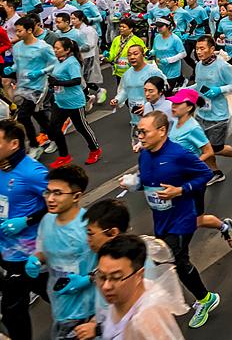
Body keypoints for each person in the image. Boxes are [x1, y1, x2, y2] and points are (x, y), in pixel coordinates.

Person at [118, 112, 219, 328]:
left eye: (144, 131)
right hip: (161, 217)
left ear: (162, 131)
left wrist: (180, 190)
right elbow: (148, 182)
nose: (140, 136)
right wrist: (134, 184)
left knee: (169, 259)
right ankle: (196, 299)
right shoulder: (144, 155)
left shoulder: (178, 154)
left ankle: (201, 299)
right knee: (171, 261)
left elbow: (205, 173)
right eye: (138, 131)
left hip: (182, 219)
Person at [26, 163, 96, 337]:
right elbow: (44, 250)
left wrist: (87, 279)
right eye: (48, 192)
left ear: (76, 196)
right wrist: (36, 259)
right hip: (60, 307)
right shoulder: (47, 220)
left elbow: (112, 266)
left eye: (57, 193)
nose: (50, 198)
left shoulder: (89, 227)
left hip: (85, 312)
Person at [165, 88, 232, 247]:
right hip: (179, 178)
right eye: (173, 103)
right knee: (177, 215)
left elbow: (209, 151)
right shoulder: (176, 124)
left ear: (189, 107)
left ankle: (224, 227)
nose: (173, 106)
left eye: (178, 103)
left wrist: (193, 163)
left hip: (193, 180)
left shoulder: (193, 128)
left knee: (196, 219)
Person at [0, 118, 50, 340]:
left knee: (55, 295)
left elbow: (61, 203)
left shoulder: (33, 172)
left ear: (14, 144)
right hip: (6, 251)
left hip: (31, 255)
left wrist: (27, 220)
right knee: (12, 312)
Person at [92, 235, 185, 340]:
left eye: (116, 277)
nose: (106, 286)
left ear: (139, 275)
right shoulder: (120, 299)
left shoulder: (147, 319)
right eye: (102, 277)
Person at [191, 36, 232, 185]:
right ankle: (215, 172)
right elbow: (199, 85)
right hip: (202, 112)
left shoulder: (223, 66)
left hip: (219, 115)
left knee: (215, 148)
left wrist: (219, 90)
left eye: (202, 48)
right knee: (204, 146)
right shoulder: (198, 66)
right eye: (197, 49)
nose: (199, 52)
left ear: (211, 49)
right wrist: (184, 91)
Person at [5, 16, 58, 158]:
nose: (17, 34)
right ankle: (56, 138)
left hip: (38, 88)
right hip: (22, 87)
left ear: (29, 30)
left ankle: (34, 145)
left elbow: (55, 64)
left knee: (23, 116)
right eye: (16, 31)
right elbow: (18, 64)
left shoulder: (43, 47)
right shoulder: (17, 47)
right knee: (39, 117)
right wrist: (12, 68)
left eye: (20, 31)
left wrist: (41, 72)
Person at [48, 37, 102, 168]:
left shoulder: (72, 63)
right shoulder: (59, 61)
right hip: (60, 100)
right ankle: (64, 156)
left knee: (81, 128)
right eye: (54, 47)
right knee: (54, 128)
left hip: (74, 102)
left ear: (67, 50)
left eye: (58, 48)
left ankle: (95, 150)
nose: (55, 50)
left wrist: (58, 82)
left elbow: (77, 80)